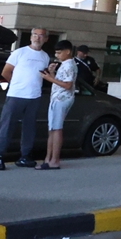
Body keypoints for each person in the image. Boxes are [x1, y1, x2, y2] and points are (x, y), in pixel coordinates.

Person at [0, 28, 51, 170]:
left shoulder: (45, 56)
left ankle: (25, 156)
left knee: (29, 128)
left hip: (34, 96)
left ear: (46, 39)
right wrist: (15, 84)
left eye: (41, 36)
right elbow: (6, 71)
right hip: (15, 95)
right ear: (30, 37)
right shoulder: (19, 52)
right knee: (7, 126)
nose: (37, 38)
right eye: (35, 35)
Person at [38, 41, 77, 170]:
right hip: (57, 98)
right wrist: (52, 74)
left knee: (57, 129)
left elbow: (67, 85)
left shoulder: (69, 65)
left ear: (68, 52)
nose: (57, 55)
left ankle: (54, 160)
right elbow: (61, 82)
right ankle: (48, 159)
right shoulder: (65, 65)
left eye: (59, 52)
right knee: (53, 129)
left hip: (62, 99)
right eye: (56, 53)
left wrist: (50, 78)